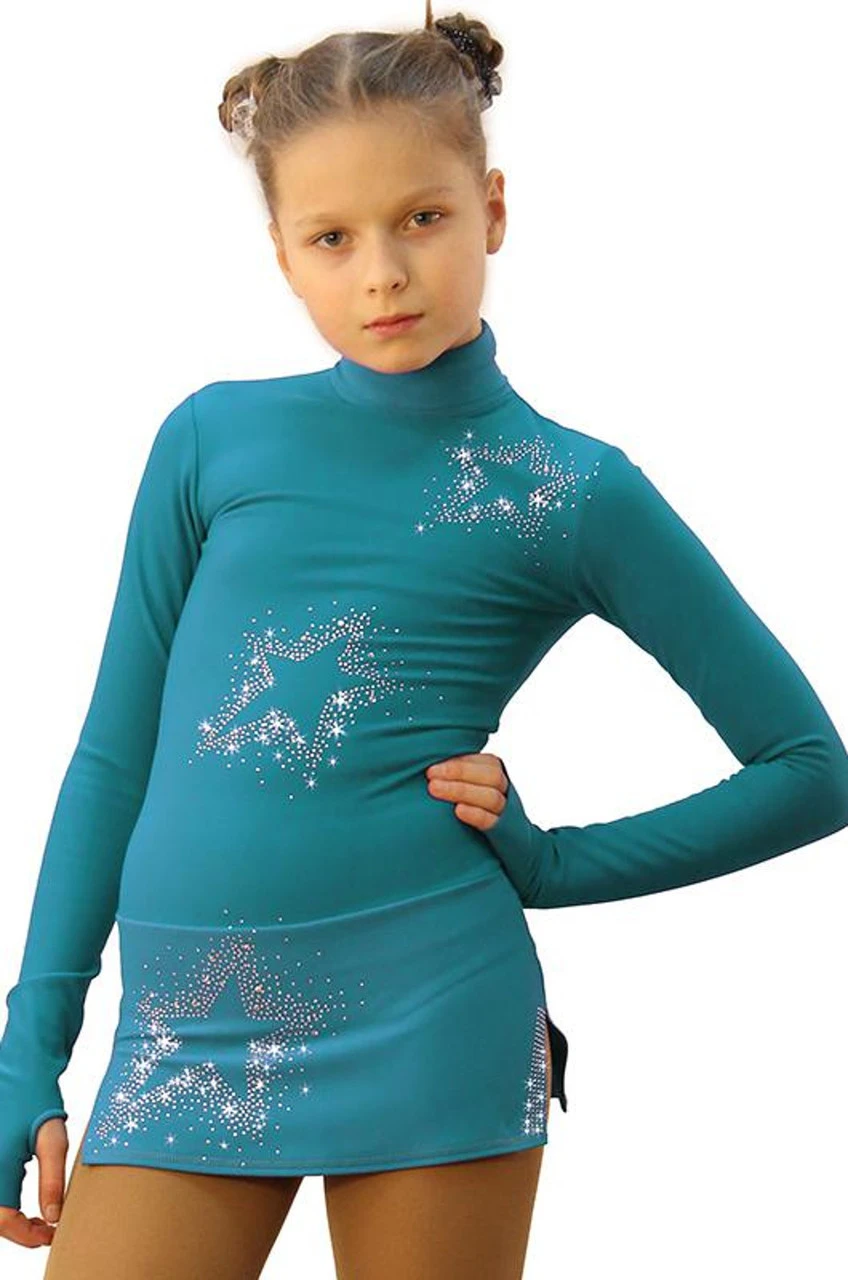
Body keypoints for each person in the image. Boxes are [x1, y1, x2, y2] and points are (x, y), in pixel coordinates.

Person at [1, 4, 847, 1277]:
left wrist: (553, 862)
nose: (382, 272)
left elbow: (807, 767)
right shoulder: (209, 440)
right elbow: (114, 759)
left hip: (431, 1011)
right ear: (282, 255)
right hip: (183, 1031)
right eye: (331, 237)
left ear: (490, 209)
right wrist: (28, 1046)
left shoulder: (569, 489)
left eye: (422, 217)